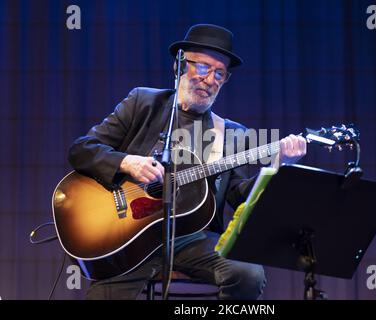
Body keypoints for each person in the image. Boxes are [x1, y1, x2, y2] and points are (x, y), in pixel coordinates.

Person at [68, 24, 307, 300]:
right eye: (204, 68)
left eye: (220, 74)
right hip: (130, 236)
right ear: (181, 65)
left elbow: (239, 195)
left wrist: (275, 166)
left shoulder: (231, 134)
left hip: (194, 239)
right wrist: (127, 162)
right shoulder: (143, 102)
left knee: (248, 274)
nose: (211, 80)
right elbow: (81, 149)